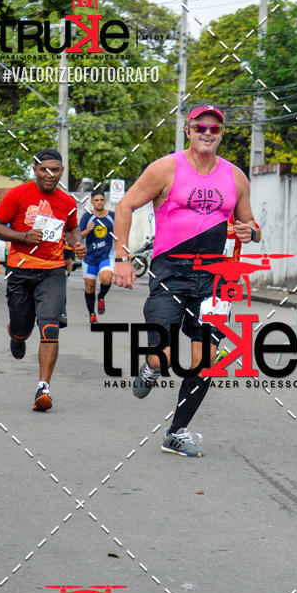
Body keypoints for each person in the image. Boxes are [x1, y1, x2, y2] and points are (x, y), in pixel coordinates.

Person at [113, 103, 257, 457]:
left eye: (214, 129)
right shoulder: (166, 168)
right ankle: (150, 366)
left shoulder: (235, 176)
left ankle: (176, 432)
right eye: (200, 127)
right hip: (171, 271)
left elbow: (251, 224)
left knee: (206, 360)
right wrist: (121, 258)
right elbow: (125, 206)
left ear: (222, 134)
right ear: (189, 131)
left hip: (214, 278)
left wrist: (249, 232)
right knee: (162, 355)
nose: (207, 133)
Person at [0, 149, 86, 411]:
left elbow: (72, 229)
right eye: (45, 169)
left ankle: (43, 388)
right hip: (21, 270)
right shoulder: (18, 195)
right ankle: (17, 335)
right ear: (35, 170)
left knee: (49, 327)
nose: (50, 174)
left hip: (53, 272)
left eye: (55, 170)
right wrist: (23, 237)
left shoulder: (67, 202)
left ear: (61, 172)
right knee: (22, 325)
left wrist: (77, 244)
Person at [79, 189, 115, 324]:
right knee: (89, 287)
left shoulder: (112, 216)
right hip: (90, 257)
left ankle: (101, 296)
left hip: (106, 254)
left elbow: (119, 234)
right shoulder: (87, 216)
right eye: (96, 200)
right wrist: (87, 231)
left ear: (105, 201)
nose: (99, 202)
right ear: (92, 202)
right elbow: (79, 235)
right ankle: (92, 314)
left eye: (101, 200)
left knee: (106, 279)